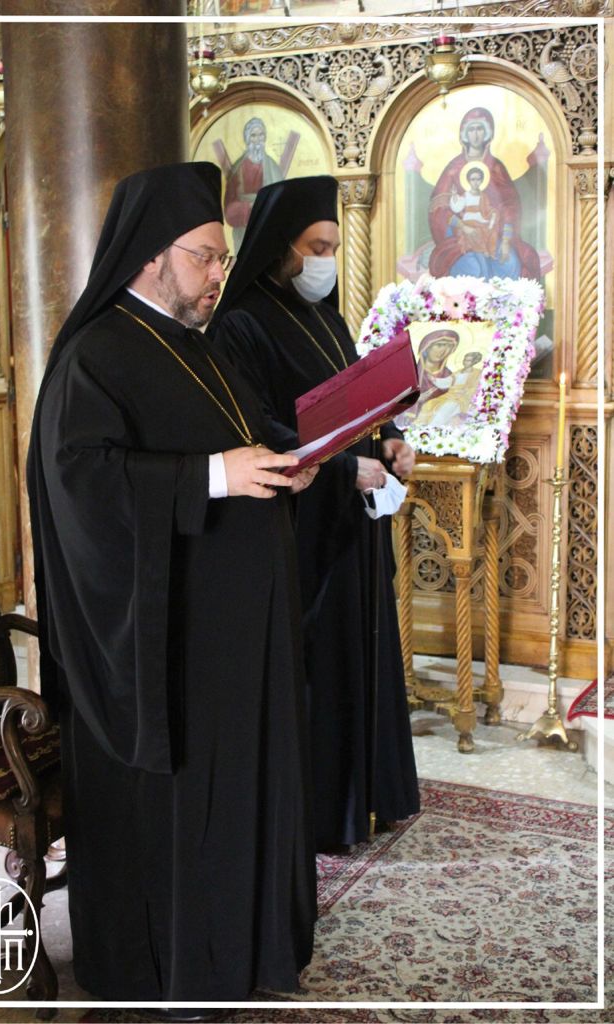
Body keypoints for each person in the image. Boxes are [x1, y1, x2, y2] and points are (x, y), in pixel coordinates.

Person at [27, 163, 319, 1018]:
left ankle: (243, 945)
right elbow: (83, 482)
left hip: (232, 636)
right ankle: (171, 968)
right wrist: (213, 477)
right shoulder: (94, 354)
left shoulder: (196, 342)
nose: (219, 274)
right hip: (167, 645)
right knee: (183, 807)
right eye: (205, 258)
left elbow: (238, 434)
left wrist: (283, 460)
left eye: (222, 258)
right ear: (152, 256)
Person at [210, 175, 420, 852]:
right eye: (317, 247)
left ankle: (370, 796)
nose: (326, 260)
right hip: (302, 527)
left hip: (350, 519)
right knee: (321, 667)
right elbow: (256, 426)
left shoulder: (326, 317)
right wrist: (340, 470)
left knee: (363, 653)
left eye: (332, 246)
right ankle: (327, 813)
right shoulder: (241, 323)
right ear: (281, 247)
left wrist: (388, 440)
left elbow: (358, 404)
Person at [428, 106, 540, 281]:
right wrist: (463, 226)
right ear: (464, 134)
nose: (475, 134)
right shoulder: (454, 168)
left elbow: (509, 206)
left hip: (492, 236)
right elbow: (439, 208)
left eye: (480, 129)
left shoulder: (496, 168)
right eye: (471, 129)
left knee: (511, 264)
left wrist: (505, 240)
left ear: (488, 133)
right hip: (461, 237)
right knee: (473, 269)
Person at [224, 117, 283, 251]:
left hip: (267, 228)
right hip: (243, 232)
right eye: (253, 135)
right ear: (247, 139)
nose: (257, 140)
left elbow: (282, 202)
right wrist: (249, 207)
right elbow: (228, 209)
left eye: (261, 135)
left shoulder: (273, 168)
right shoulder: (237, 170)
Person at [394, 327, 460, 429]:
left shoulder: (450, 378)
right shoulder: (410, 375)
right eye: (439, 345)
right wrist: (416, 400)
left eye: (449, 347)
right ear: (426, 347)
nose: (443, 351)